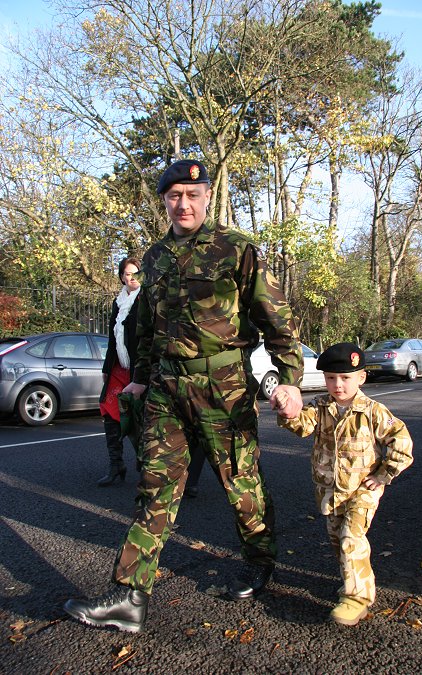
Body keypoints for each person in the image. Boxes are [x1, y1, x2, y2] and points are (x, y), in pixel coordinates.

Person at [63, 158, 304, 633]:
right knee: (154, 486)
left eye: (193, 195)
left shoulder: (236, 250)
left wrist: (289, 376)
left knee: (240, 481)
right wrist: (140, 377)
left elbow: (276, 317)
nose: (183, 203)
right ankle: (130, 596)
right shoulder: (153, 258)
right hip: (166, 389)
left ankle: (260, 561)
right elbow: (149, 329)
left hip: (224, 387)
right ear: (165, 201)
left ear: (207, 196)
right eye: (174, 195)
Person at [276, 342, 413, 626]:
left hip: (363, 489)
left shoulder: (373, 411)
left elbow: (401, 441)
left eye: (346, 378)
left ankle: (356, 599)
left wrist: (384, 474)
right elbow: (303, 426)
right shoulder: (321, 407)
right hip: (330, 491)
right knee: (340, 542)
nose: (338, 385)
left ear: (361, 377)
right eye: (330, 378)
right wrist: (288, 411)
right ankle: (357, 582)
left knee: (352, 537)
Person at [97, 257, 141, 487]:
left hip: (138, 369)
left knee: (138, 416)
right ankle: (116, 465)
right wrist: (107, 368)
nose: (130, 278)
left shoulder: (145, 299)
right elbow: (113, 339)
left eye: (135, 274)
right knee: (108, 410)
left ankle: (146, 466)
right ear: (121, 276)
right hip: (118, 368)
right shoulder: (118, 302)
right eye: (126, 274)